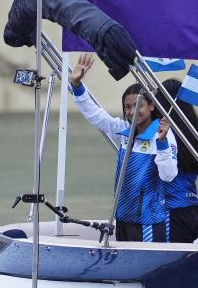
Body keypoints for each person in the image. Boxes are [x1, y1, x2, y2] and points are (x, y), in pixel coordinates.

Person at [68, 54, 177, 242]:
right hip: (123, 218)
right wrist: (77, 86)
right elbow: (96, 115)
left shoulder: (163, 134)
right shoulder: (125, 130)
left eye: (138, 106)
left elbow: (169, 176)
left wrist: (162, 143)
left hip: (148, 223)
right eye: (127, 107)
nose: (132, 112)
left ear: (152, 106)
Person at [155, 78, 198, 243]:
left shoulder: (163, 133)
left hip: (170, 208)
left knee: (168, 257)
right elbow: (197, 172)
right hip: (192, 207)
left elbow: (164, 173)